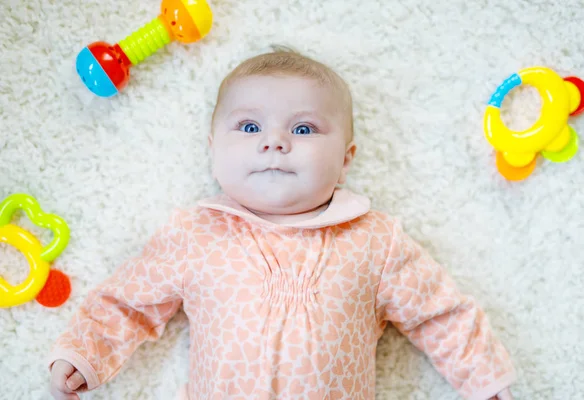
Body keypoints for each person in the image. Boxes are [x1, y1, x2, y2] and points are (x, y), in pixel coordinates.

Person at [49, 47, 516, 400]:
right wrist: (86, 351)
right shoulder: (195, 234)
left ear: (346, 160)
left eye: (304, 128)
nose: (275, 142)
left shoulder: (376, 240)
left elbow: (439, 312)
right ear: (213, 150)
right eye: (250, 127)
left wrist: (483, 377)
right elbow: (128, 300)